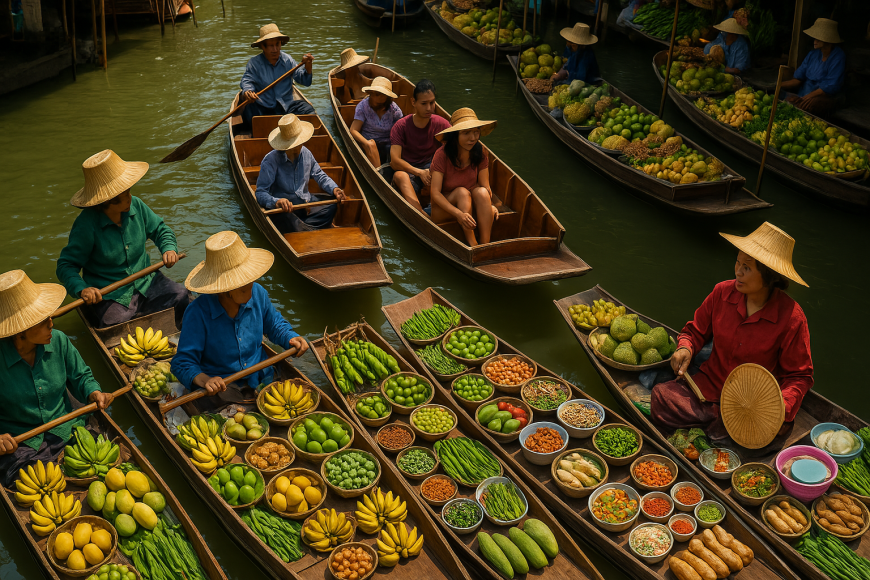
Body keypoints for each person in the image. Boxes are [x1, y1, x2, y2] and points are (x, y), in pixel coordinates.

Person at [650, 222, 813, 443]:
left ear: (769, 276)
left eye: (747, 267)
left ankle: (719, 429)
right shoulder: (722, 292)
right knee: (661, 396)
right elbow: (694, 331)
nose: (738, 271)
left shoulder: (792, 318)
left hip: (751, 405)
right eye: (737, 262)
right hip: (709, 388)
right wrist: (685, 348)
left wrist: (779, 408)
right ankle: (717, 428)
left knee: (762, 433)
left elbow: (799, 376)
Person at [0, 270, 113, 486]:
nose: (52, 323)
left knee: (103, 463)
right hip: (22, 442)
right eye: (43, 321)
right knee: (32, 485)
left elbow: (81, 376)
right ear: (20, 331)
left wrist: (94, 392)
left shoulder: (59, 341)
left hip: (66, 426)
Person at [56, 150, 189, 329]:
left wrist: (169, 248)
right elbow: (66, 266)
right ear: (105, 202)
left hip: (146, 280)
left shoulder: (137, 205)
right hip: (111, 292)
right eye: (122, 197)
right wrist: (82, 288)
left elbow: (160, 230)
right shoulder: (86, 225)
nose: (129, 199)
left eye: (128, 192)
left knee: (181, 295)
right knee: (115, 324)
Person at [171, 231, 309, 401]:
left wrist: (290, 337)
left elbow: (274, 324)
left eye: (250, 279)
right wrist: (205, 380)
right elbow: (182, 363)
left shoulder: (258, 292)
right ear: (225, 289)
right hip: (224, 385)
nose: (251, 285)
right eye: (243, 286)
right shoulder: (197, 313)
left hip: (260, 373)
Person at [255, 114, 348, 234]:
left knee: (331, 206)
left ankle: (303, 227)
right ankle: (307, 227)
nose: (298, 147)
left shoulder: (306, 153)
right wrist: (277, 202)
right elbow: (260, 192)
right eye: (294, 145)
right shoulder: (270, 160)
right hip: (286, 210)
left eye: (299, 143)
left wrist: (334, 188)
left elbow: (319, 175)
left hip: (305, 203)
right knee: (286, 219)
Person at [430, 108, 499, 246]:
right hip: (445, 208)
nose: (473, 138)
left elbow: (485, 186)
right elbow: (435, 193)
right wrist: (458, 214)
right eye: (466, 133)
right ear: (455, 135)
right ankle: (473, 245)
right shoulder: (442, 155)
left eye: (476, 132)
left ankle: (485, 245)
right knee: (462, 192)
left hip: (469, 206)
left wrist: (490, 205)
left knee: (482, 192)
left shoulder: (480, 152)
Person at [389, 79, 451, 213]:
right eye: (424, 104)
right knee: (400, 176)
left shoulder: (442, 124)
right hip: (409, 170)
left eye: (432, 103)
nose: (429, 108)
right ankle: (420, 214)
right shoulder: (401, 126)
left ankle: (434, 207)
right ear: (413, 102)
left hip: (431, 168)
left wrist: (433, 172)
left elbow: (453, 150)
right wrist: (419, 172)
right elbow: (394, 161)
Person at [239, 23, 315, 131]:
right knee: (248, 109)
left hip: (287, 106)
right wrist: (248, 91)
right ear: (263, 46)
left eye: (277, 44)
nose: (275, 49)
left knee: (309, 111)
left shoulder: (287, 60)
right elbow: (247, 80)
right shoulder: (254, 63)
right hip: (264, 107)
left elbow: (305, 81)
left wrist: (308, 67)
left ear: (281, 44)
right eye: (271, 45)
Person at [782, 18, 846, 115]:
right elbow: (798, 78)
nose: (814, 41)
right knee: (781, 97)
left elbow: (829, 87)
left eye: (818, 38)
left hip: (823, 97)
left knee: (806, 105)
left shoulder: (838, 57)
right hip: (804, 94)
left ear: (828, 40)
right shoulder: (813, 54)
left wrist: (803, 99)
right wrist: (778, 85)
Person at [351, 77, 403, 167]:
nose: (374, 98)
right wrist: (367, 144)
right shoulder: (363, 106)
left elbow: (400, 130)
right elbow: (353, 130)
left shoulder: (394, 110)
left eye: (379, 94)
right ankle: (379, 173)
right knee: (372, 147)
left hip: (389, 144)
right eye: (373, 94)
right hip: (369, 143)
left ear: (387, 97)